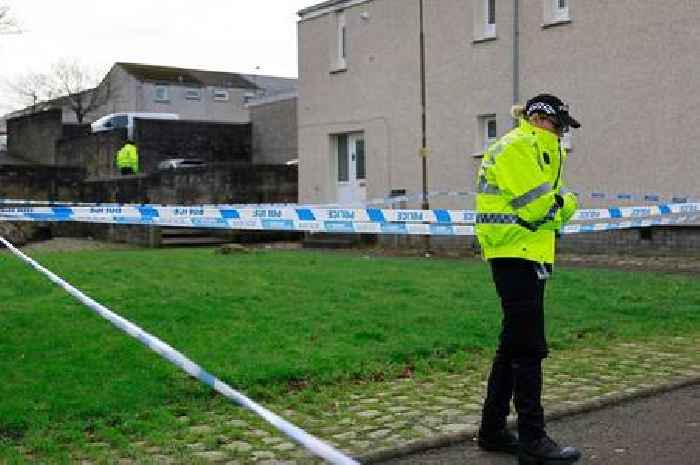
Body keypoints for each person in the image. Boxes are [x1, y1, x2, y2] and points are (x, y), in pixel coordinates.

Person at [474, 94, 582, 465]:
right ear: (539, 117)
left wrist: (557, 206)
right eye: (559, 125)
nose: (562, 133)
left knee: (513, 344)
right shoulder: (517, 147)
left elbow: (543, 210)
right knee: (529, 348)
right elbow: (539, 208)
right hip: (514, 253)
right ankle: (533, 441)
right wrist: (569, 203)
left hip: (527, 253)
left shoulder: (537, 149)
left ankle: (491, 430)